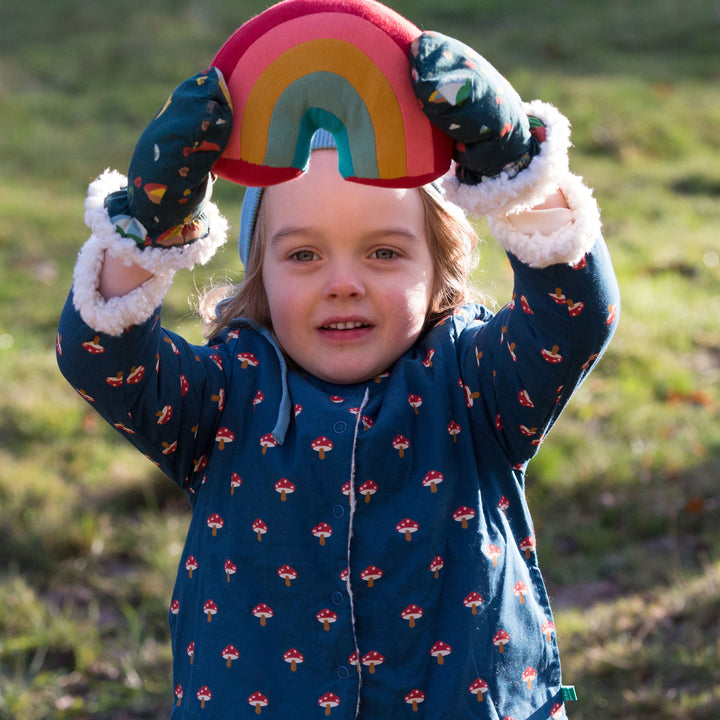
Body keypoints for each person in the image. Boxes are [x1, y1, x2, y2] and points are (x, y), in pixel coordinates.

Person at [57, 26, 619, 720]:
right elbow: (102, 359)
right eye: (303, 256)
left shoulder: (477, 382)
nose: (343, 283)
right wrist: (145, 231)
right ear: (260, 277)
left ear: (439, 269)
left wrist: (516, 174)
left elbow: (575, 317)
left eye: (384, 253)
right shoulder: (224, 399)